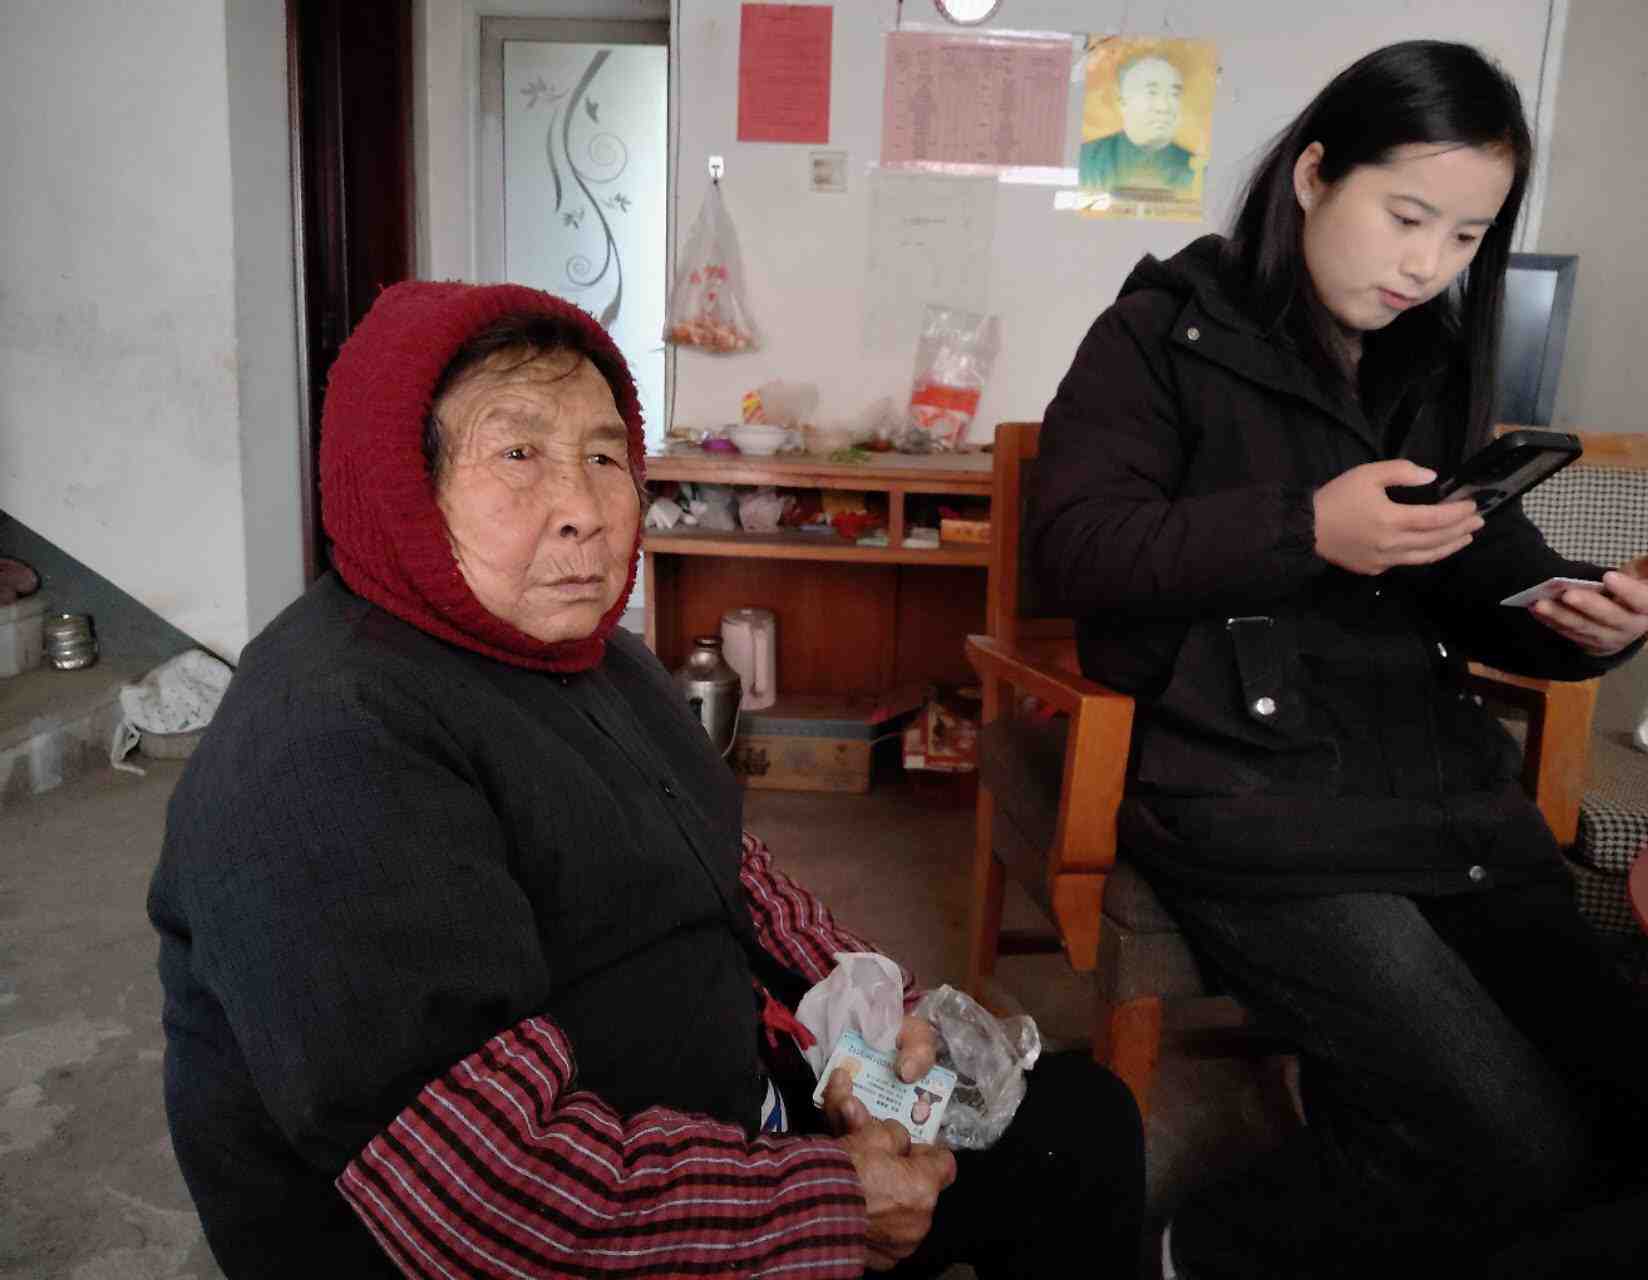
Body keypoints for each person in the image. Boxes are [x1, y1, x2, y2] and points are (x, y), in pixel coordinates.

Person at [147, 281, 1144, 1279]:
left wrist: (871, 1009)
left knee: (1078, 1124)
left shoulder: (589, 654)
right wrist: (831, 1202)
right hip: (597, 1230)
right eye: (518, 453)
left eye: (602, 455)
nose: (584, 512)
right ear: (401, 482)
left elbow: (725, 863)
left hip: (730, 1117)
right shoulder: (326, 754)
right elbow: (493, 1206)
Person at [1030, 40, 1648, 1280]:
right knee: (1518, 1148)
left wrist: (1574, 616)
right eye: (1404, 216)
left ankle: (1371, 1124)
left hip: (1433, 788)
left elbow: (1475, 556)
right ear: (1311, 174)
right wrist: (1304, 529)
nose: (1425, 264)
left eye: (1463, 236)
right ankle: (1202, 1243)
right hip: (1249, 794)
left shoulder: (1423, 361)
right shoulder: (1156, 334)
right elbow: (1074, 549)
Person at [1078, 52, 1196, 194]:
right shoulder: (1085, 161)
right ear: (1123, 104)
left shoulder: (1197, 170)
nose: (1164, 107)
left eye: (1174, 94)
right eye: (1152, 93)